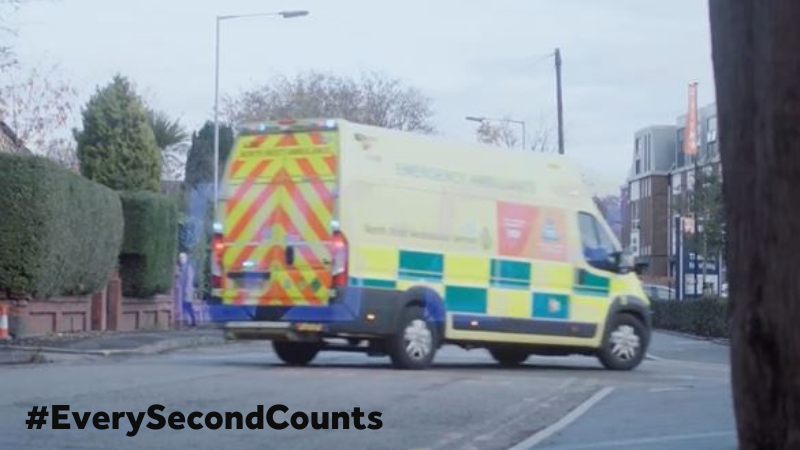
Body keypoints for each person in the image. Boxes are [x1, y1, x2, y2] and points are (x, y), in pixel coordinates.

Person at [177, 252, 196, 327]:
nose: (181, 260)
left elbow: (189, 280)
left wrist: (186, 290)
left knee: (188, 306)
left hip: (187, 291)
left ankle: (192, 321)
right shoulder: (182, 268)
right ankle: (189, 321)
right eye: (180, 258)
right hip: (183, 291)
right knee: (186, 306)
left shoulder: (188, 268)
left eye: (182, 258)